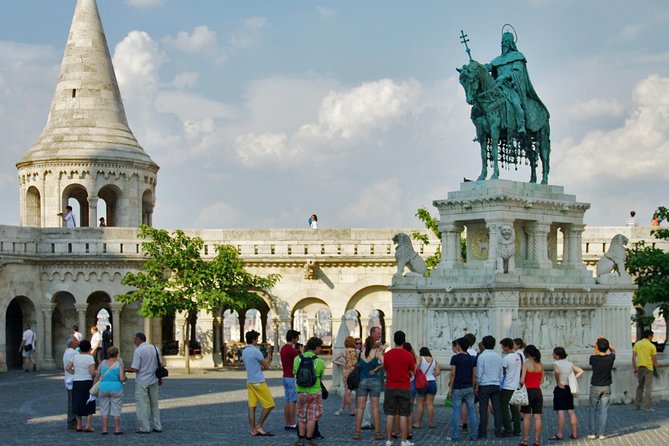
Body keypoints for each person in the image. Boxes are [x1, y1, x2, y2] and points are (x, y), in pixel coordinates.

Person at [486, 31, 546, 135]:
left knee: (516, 103)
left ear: (511, 43)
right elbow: (489, 67)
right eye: (502, 42)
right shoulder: (497, 60)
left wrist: (505, 76)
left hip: (511, 88)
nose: (503, 44)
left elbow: (518, 72)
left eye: (506, 41)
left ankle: (521, 124)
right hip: (498, 87)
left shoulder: (517, 56)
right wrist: (477, 67)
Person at [383, 330, 416, 446]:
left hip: (390, 386)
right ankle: (403, 440)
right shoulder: (408, 355)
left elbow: (385, 368)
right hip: (404, 386)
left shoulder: (387, 354)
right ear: (404, 341)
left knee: (390, 414)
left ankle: (388, 440)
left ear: (393, 340)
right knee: (403, 414)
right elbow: (413, 370)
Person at [125, 332, 163, 434]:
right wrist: (160, 378)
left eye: (134, 339)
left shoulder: (138, 351)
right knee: (154, 404)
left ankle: (144, 427)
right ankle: (157, 425)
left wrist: (123, 370)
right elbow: (161, 365)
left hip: (142, 380)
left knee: (142, 404)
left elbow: (135, 369)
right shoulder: (155, 348)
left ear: (138, 340)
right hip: (154, 379)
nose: (134, 341)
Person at [241, 330, 274, 437]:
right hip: (258, 381)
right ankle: (259, 425)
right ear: (254, 340)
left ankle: (253, 429)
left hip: (250, 381)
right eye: (257, 339)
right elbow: (266, 366)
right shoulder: (256, 351)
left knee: (252, 406)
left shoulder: (244, 351)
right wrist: (262, 367)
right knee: (270, 404)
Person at [293, 337, 325, 446]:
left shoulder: (297, 359)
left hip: (301, 391)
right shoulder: (320, 361)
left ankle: (300, 439)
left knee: (302, 416)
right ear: (316, 347)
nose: (320, 349)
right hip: (315, 391)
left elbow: (295, 372)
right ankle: (308, 439)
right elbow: (320, 377)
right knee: (311, 417)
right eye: (320, 347)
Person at [352, 336, 384, 441]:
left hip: (362, 381)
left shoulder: (359, 353)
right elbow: (385, 363)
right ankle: (378, 433)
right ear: (373, 343)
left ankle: (357, 433)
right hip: (374, 381)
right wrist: (376, 369)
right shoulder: (376, 352)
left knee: (360, 408)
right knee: (375, 408)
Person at [549, 347, 584, 440]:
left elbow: (556, 371)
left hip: (560, 388)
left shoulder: (555, 363)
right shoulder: (569, 363)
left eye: (553, 353)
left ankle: (560, 433)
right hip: (568, 388)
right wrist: (573, 379)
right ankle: (575, 433)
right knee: (571, 411)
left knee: (560, 412)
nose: (552, 355)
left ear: (557, 355)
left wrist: (558, 382)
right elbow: (581, 371)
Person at [448, 337, 478, 441]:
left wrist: (450, 387)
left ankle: (456, 435)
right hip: (469, 387)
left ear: (459, 346)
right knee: (472, 412)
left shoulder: (455, 358)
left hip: (458, 387)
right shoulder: (472, 359)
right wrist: (473, 386)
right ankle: (474, 435)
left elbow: (453, 374)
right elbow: (474, 375)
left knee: (456, 412)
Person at [588, 337, 616, 440]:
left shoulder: (593, 359)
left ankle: (592, 433)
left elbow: (594, 354)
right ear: (607, 347)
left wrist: (596, 346)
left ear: (597, 347)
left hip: (595, 386)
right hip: (606, 386)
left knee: (592, 410)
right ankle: (602, 433)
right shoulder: (610, 358)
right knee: (604, 411)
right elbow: (613, 350)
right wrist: (606, 343)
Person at [476, 335, 504, 439]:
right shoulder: (498, 356)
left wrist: (477, 385)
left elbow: (479, 373)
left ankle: (482, 433)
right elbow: (501, 373)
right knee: (497, 409)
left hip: (484, 384)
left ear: (483, 344)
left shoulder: (482, 356)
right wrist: (499, 383)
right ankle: (498, 432)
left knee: (483, 409)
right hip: (496, 384)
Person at [65, 339, 96, 432]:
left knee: (77, 402)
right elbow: (92, 372)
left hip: (77, 381)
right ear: (88, 348)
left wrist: (75, 372)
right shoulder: (90, 358)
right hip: (87, 381)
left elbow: (67, 368)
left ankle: (79, 425)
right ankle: (88, 425)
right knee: (89, 402)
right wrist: (95, 374)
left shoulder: (75, 356)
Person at [95, 345, 126, 435]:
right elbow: (121, 378)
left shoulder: (102, 363)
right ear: (117, 354)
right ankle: (117, 429)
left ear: (108, 354)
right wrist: (125, 378)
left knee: (104, 409)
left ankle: (104, 429)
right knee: (116, 409)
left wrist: (94, 387)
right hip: (116, 388)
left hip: (104, 387)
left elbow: (97, 376)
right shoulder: (119, 364)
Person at [520, 345, 544, 446]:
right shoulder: (540, 365)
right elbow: (542, 380)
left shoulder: (526, 364)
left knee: (526, 417)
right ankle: (537, 440)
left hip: (528, 391)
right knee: (537, 417)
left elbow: (522, 380)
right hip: (538, 392)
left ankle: (525, 440)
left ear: (527, 354)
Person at [500, 337, 523, 437]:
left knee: (504, 408)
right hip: (516, 385)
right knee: (515, 409)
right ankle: (517, 429)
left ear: (505, 346)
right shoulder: (517, 357)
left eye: (502, 346)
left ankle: (508, 429)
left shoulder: (506, 358)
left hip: (507, 386)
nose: (501, 347)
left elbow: (503, 372)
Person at [414, 346, 440, 429]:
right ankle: (431, 423)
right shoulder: (434, 360)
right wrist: (431, 374)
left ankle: (418, 423)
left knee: (420, 404)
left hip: (422, 383)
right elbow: (438, 372)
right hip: (432, 382)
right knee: (430, 403)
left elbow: (415, 368)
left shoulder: (420, 358)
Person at [632, 329, 658, 411]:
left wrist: (634, 367)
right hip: (649, 368)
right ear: (649, 336)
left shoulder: (637, 344)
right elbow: (654, 359)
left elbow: (633, 357)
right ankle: (646, 406)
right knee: (648, 388)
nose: (652, 338)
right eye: (652, 336)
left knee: (640, 387)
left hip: (640, 368)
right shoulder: (651, 346)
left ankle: (637, 405)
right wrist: (656, 368)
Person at [332, 336, 358, 416]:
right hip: (355, 372)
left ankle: (351, 410)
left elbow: (333, 360)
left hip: (346, 372)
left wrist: (342, 363)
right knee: (349, 392)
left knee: (346, 392)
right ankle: (343, 409)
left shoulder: (344, 352)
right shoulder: (357, 351)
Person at [281, 329, 300, 430]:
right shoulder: (292, 350)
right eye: (296, 337)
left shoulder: (283, 348)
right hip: (291, 377)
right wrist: (301, 351)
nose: (297, 340)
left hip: (285, 376)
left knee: (287, 401)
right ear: (293, 338)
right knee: (293, 401)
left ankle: (287, 423)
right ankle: (293, 423)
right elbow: (300, 359)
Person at [63, 335, 79, 429]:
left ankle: (72, 420)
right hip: (73, 380)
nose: (78, 341)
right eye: (76, 340)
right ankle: (72, 421)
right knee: (74, 402)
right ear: (72, 343)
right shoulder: (74, 353)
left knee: (71, 401)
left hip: (68, 380)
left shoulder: (66, 352)